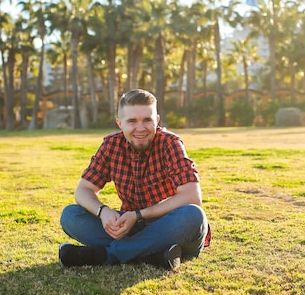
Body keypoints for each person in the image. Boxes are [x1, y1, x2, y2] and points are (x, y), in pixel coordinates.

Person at [59, 89, 210, 272]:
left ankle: (105, 256)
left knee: (193, 215)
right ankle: (154, 256)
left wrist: (139, 215)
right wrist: (103, 212)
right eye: (132, 121)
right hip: (129, 228)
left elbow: (192, 196)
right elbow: (83, 190)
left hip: (169, 229)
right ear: (120, 123)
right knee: (70, 215)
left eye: (147, 120)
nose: (140, 128)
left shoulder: (170, 143)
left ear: (157, 120)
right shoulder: (111, 145)